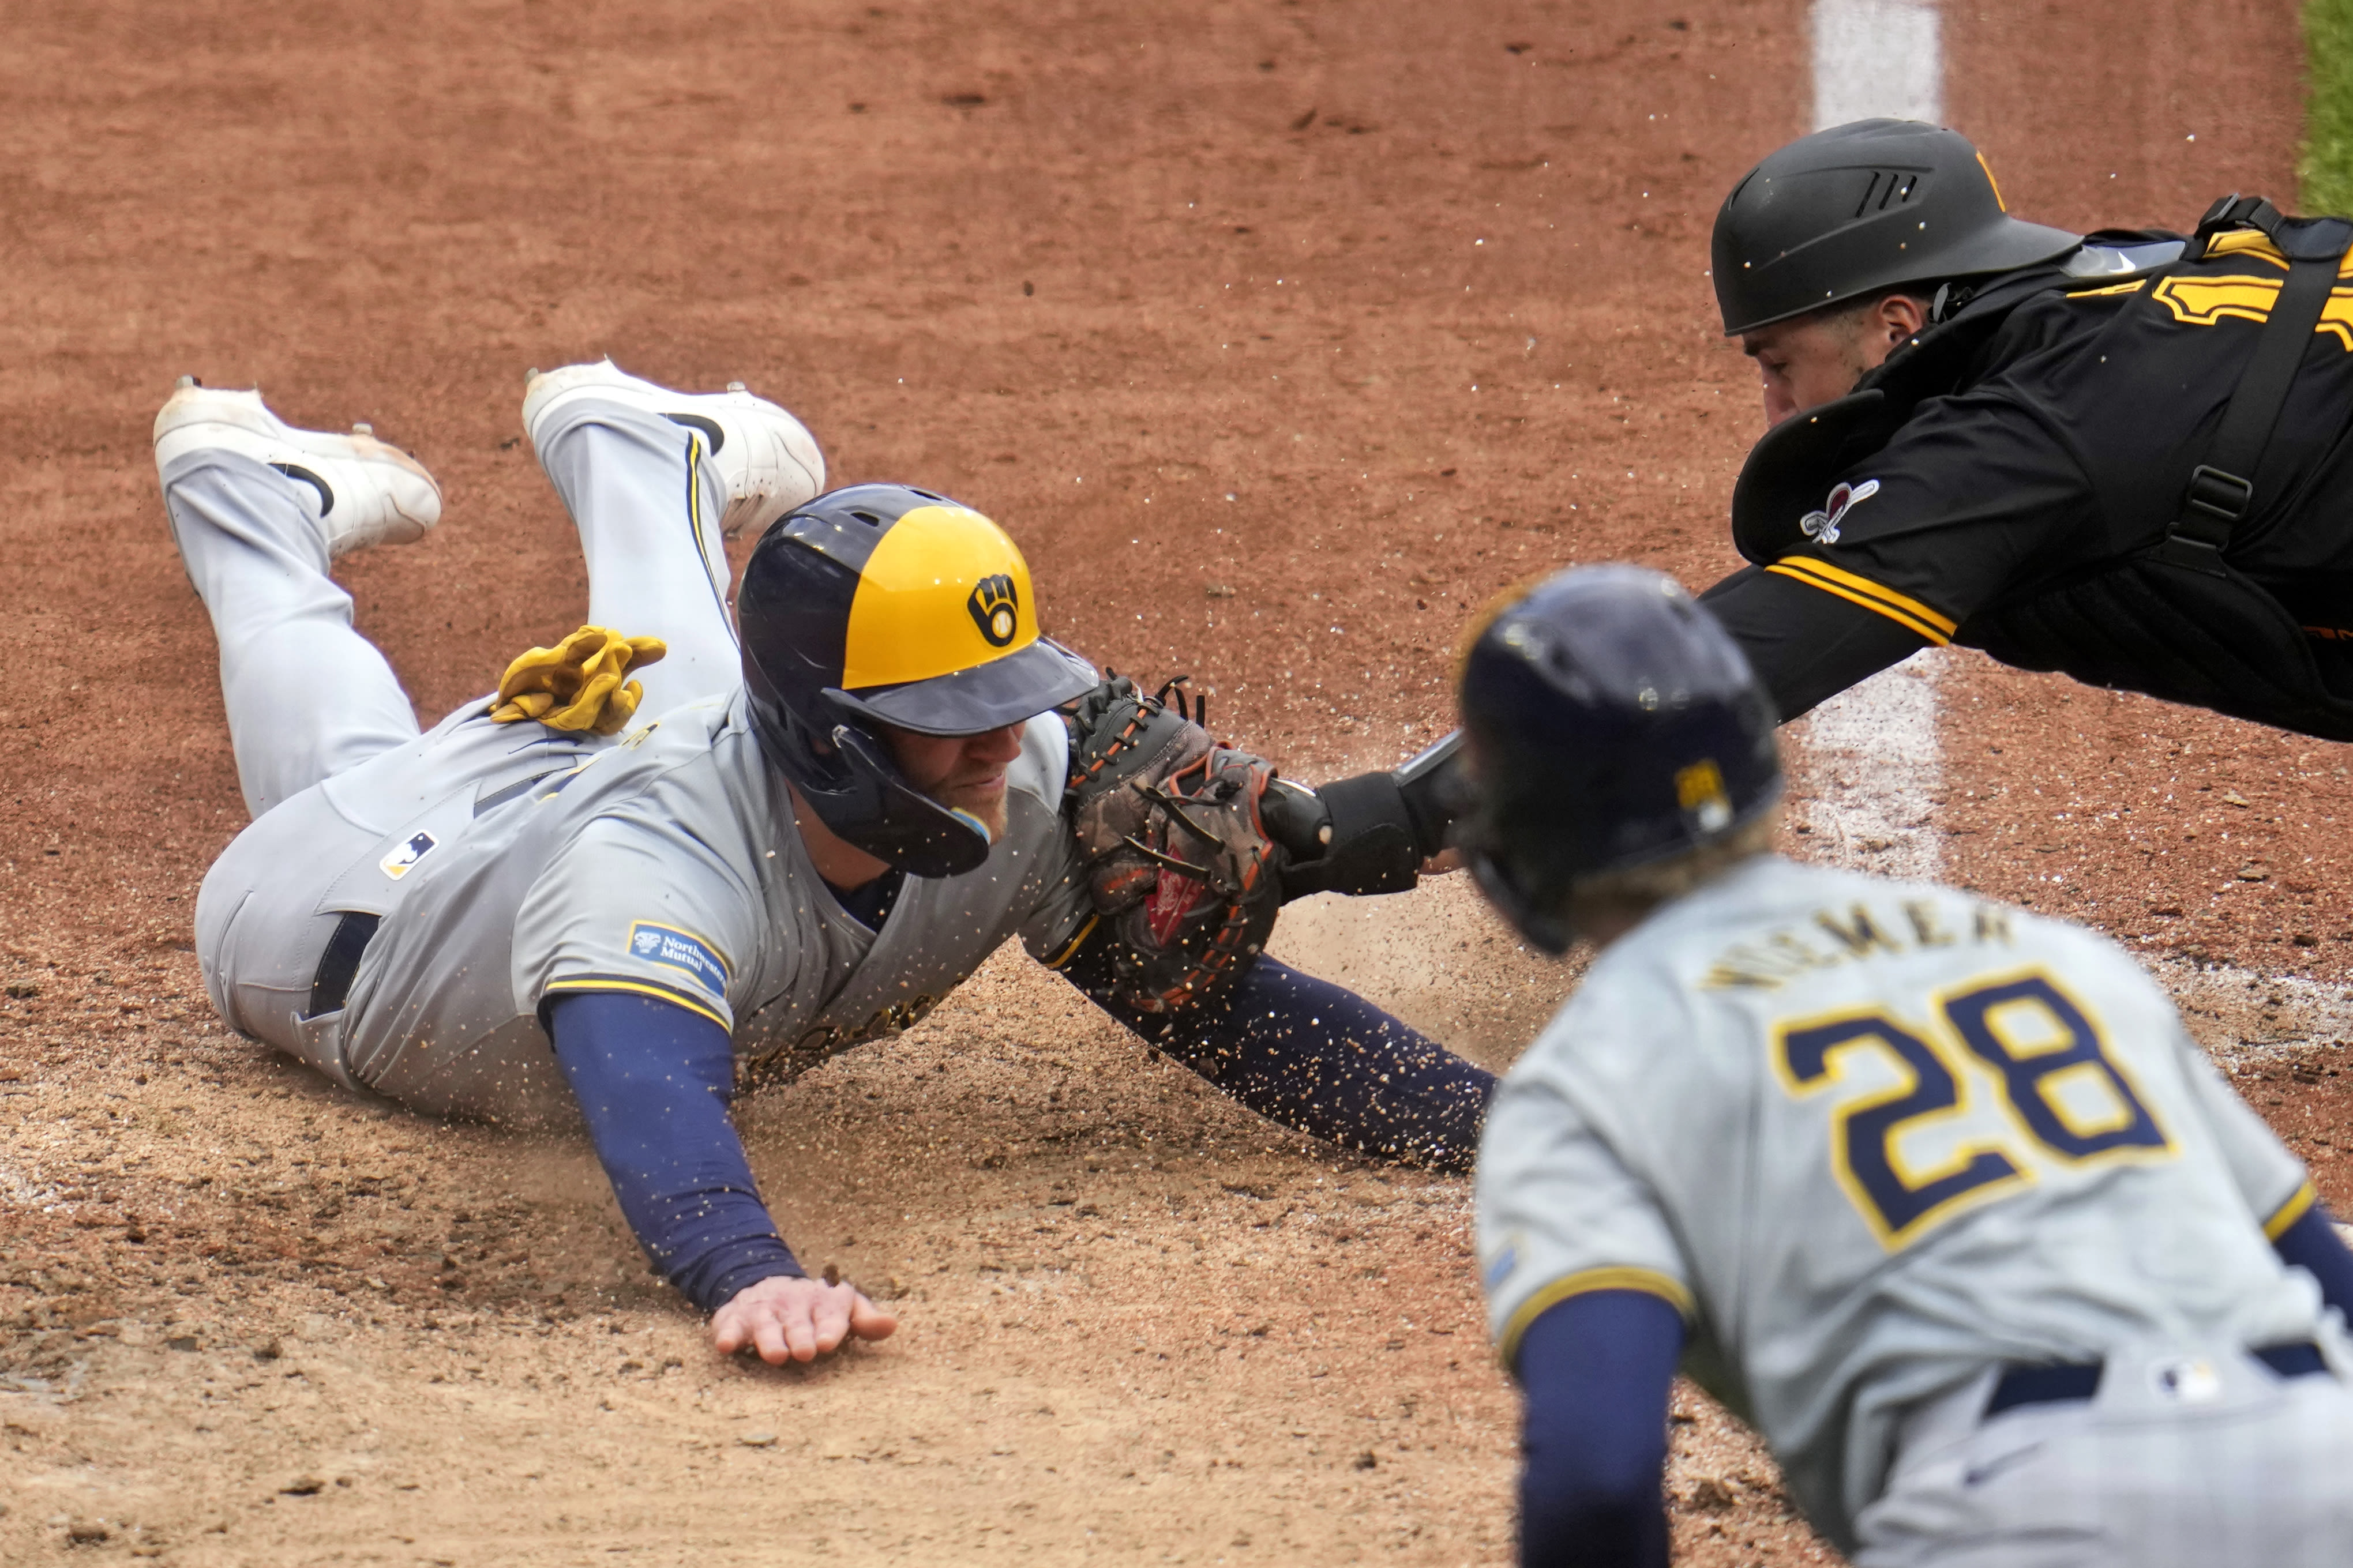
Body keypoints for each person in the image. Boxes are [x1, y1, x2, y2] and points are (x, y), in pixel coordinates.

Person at [158, 360, 1492, 1367]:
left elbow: (1224, 1011)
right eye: (954, 712)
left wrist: (1501, 1121)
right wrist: (745, 1268)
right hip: (359, 909)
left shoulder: (1007, 780)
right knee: (336, 780)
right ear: (840, 732)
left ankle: (631, 446)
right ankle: (250, 497)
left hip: (659, 769)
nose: (1003, 741)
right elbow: (643, 1084)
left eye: (1008, 696)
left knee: (685, 695)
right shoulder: (650, 866)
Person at [1460, 563, 2353, 1566]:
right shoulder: (2049, 956)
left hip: (2014, 1512)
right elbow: (2326, 1281)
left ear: (1518, 835)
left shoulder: (1583, 1082)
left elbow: (1592, 1479)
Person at [1690, 116, 2353, 734]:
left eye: (1778, 364)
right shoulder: (2126, 292)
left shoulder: (2035, 428)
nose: (1775, 409)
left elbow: (1764, 642)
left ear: (1895, 327)